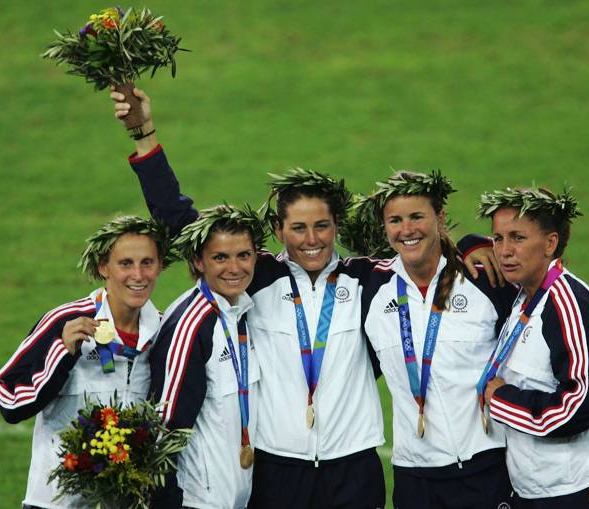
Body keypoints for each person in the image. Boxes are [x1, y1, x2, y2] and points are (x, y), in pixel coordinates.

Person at [111, 87, 499, 508]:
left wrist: (477, 244)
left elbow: (421, 249)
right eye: (298, 228)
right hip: (278, 472)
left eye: (322, 227)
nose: (311, 240)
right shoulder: (254, 276)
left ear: (337, 226)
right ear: (279, 231)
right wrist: (143, 133)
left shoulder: (370, 281)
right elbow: (183, 223)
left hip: (355, 472)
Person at [340, 171, 517, 509]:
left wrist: (476, 244)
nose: (407, 230)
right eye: (395, 220)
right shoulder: (369, 288)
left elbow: (540, 312)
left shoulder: (482, 278)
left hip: (487, 466)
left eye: (417, 216)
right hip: (415, 476)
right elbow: (308, 263)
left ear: (440, 217)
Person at [0, 216, 173, 509]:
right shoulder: (65, 321)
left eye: (147, 263)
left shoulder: (165, 332)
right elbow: (10, 402)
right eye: (125, 263)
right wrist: (62, 354)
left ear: (160, 266)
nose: (138, 275)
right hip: (54, 502)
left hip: (127, 502)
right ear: (104, 267)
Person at [478, 186, 589, 508]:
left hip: (581, 488)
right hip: (536, 488)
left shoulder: (567, 303)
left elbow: (584, 405)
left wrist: (501, 399)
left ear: (550, 243)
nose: (504, 251)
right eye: (498, 239)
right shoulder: (525, 297)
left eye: (518, 238)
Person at [148, 204, 266, 508]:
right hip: (197, 500)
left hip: (236, 496)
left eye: (244, 255)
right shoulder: (191, 326)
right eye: (220, 258)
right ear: (198, 261)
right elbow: (164, 427)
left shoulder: (242, 310)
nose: (234, 268)